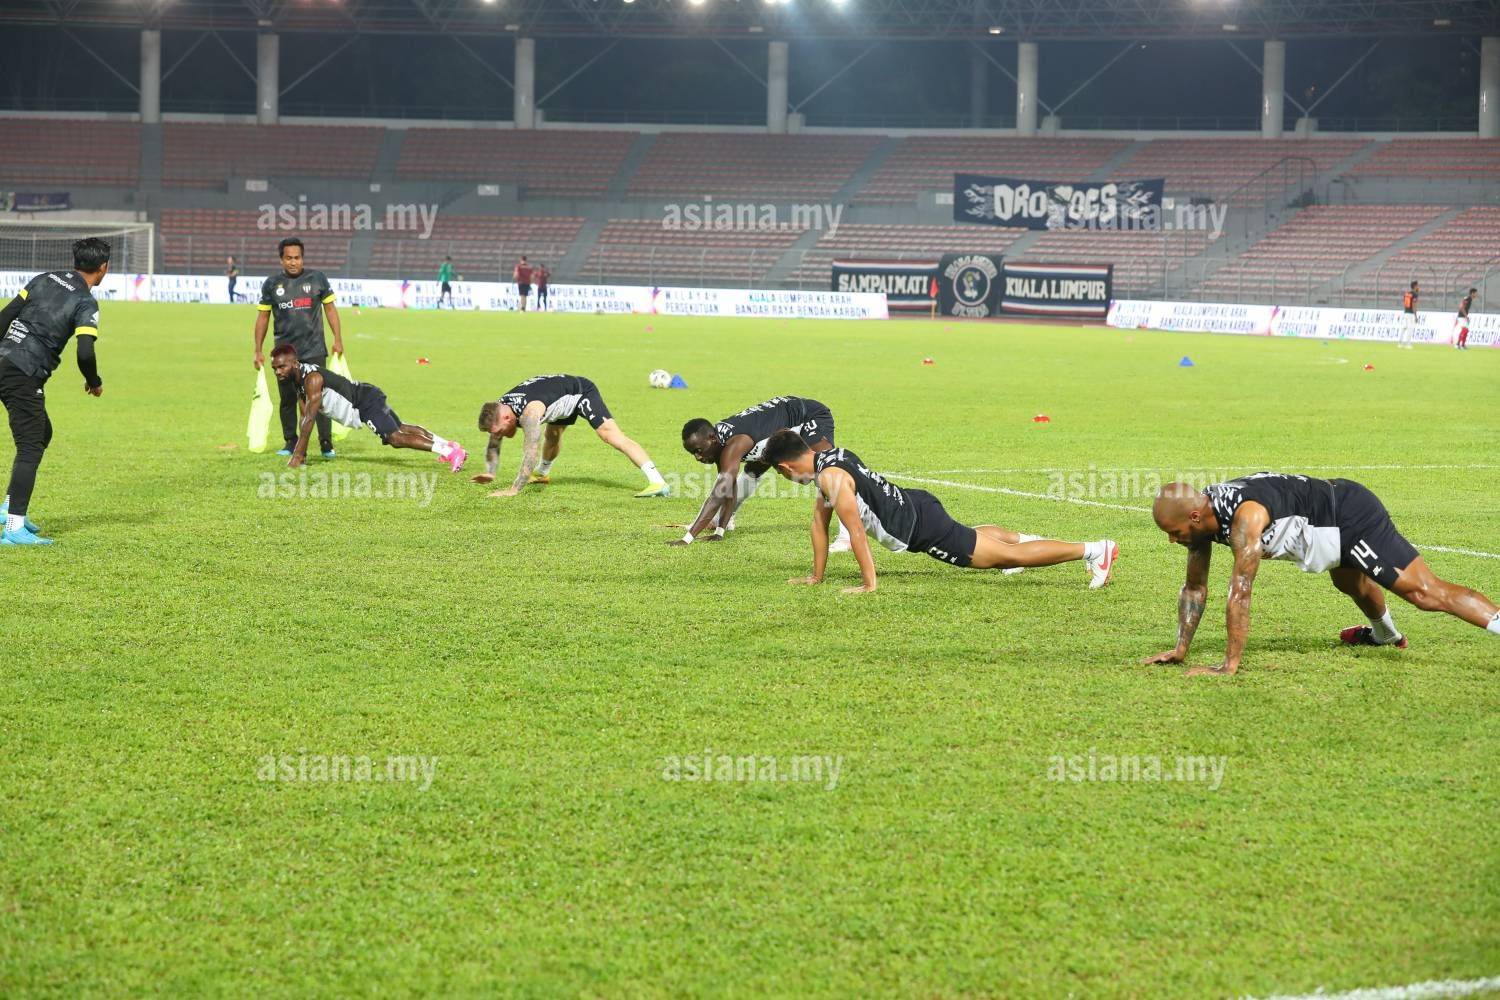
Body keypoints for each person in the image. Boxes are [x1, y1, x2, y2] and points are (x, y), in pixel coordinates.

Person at [1144, 474, 1500, 677]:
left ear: (1194, 517)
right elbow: (1194, 587)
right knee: (1349, 581)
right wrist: (1180, 649)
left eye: (1174, 532)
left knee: (1423, 592)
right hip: (1327, 523)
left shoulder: (1244, 518)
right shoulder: (1201, 520)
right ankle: (1386, 636)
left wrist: (1229, 665)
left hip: (1348, 515)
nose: (1172, 540)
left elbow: (1241, 591)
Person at [762, 430, 1119, 594]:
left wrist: (869, 584)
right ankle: (1025, 543)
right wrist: (816, 577)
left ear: (786, 467)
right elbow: (819, 524)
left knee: (1004, 558)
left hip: (922, 527)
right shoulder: (830, 458)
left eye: (780, 474)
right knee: (981, 539)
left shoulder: (830, 478)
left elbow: (855, 531)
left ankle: (1093, 550)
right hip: (917, 504)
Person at [0, 237, 110, 546]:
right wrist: (94, 381)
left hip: (3, 360)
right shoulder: (86, 302)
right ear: (103, 268)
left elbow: (5, 317)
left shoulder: (44, 278)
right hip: (23, 373)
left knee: (42, 433)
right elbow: (85, 352)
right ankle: (13, 528)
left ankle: (8, 507)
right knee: (30, 447)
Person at [675, 395, 851, 550]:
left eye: (698, 450)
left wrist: (687, 538)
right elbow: (728, 488)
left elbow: (718, 495)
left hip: (810, 415)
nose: (697, 457)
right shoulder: (717, 442)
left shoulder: (732, 445)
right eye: (693, 453)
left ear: (712, 439)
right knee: (753, 469)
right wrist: (719, 532)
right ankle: (723, 522)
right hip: (775, 426)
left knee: (824, 471)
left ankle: (847, 537)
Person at [270, 345, 467, 472]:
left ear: (294, 363)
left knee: (395, 438)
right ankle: (451, 446)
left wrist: (297, 456)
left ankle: (451, 453)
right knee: (401, 427)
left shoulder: (312, 379)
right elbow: (304, 417)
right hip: (367, 394)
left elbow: (310, 419)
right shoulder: (298, 380)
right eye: (275, 369)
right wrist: (302, 453)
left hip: (363, 402)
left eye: (282, 367)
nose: (278, 372)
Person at [474, 374, 669, 498]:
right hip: (557, 399)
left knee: (610, 435)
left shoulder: (529, 414)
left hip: (581, 392)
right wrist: (490, 472)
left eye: (499, 431)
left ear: (507, 418)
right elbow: (494, 441)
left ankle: (658, 481)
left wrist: (514, 489)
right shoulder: (501, 408)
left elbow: (531, 451)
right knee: (553, 434)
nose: (498, 436)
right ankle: (542, 474)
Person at [252, 237, 343, 459]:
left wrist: (338, 339)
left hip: (314, 349)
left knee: (318, 398)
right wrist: (258, 349)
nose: (293, 262)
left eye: (297, 257)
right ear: (281, 260)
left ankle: (326, 443)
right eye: (288, 258)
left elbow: (330, 310)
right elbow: (263, 317)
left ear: (302, 258)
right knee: (287, 399)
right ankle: (291, 442)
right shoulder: (271, 284)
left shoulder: (318, 279)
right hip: (284, 355)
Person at [1399, 280, 1419, 349]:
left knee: (1404, 327)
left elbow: (1404, 303)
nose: (1418, 287)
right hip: (1411, 313)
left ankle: (1400, 343)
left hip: (1405, 312)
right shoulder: (1415, 295)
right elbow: (1414, 305)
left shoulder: (1406, 294)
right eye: (1417, 286)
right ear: (1415, 286)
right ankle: (1408, 344)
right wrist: (1415, 316)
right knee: (1410, 329)